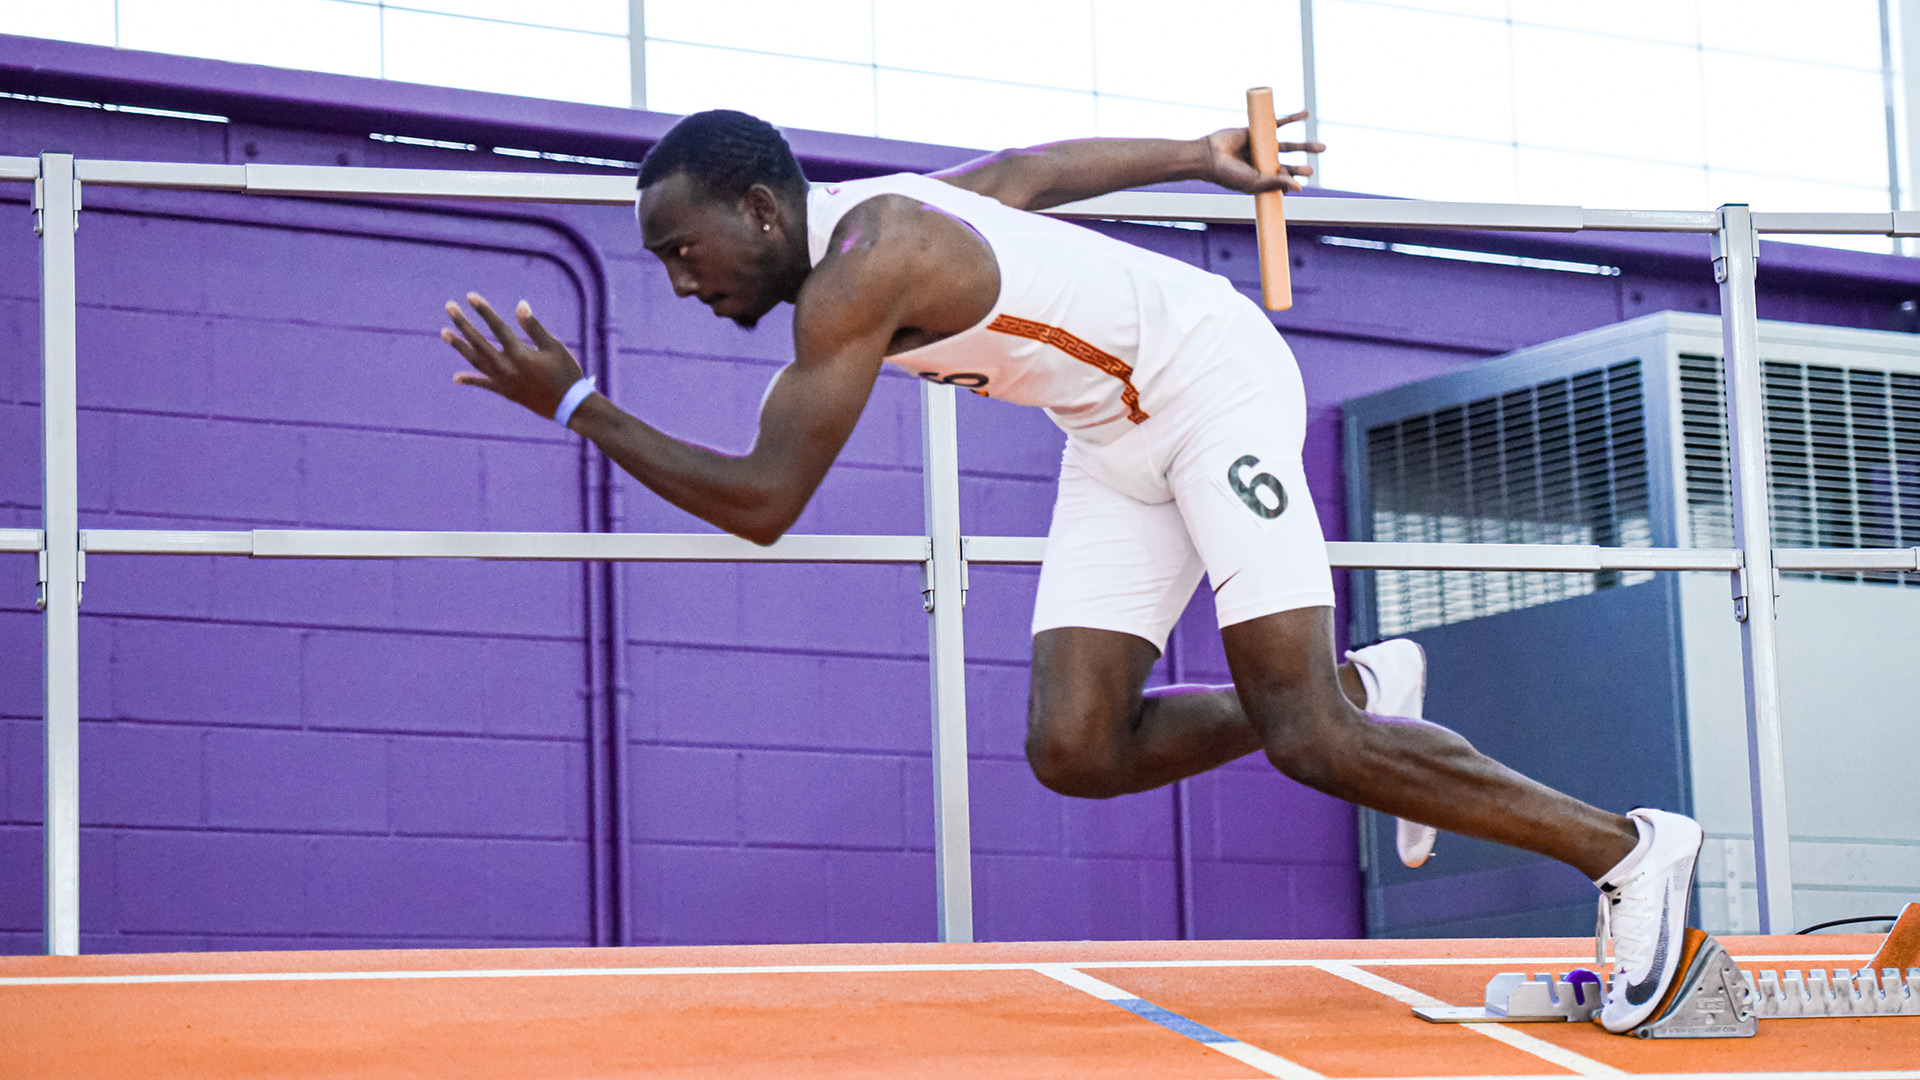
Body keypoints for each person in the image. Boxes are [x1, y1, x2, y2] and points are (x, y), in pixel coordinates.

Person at [438, 108, 1703, 1033]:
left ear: (761, 211)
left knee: (1305, 737)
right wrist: (1197, 157)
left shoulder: (859, 273)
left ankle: (1628, 850)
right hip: (1113, 435)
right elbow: (1029, 174)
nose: (678, 281)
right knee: (1078, 749)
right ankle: (1364, 687)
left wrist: (579, 405)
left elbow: (766, 502)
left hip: (1213, 390)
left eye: (681, 248)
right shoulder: (886, 211)